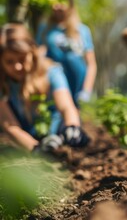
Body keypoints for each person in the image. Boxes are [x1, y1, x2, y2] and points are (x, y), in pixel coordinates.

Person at [0, 23, 90, 153]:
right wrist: (36, 148)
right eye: (9, 62)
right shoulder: (3, 84)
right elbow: (10, 126)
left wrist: (72, 127)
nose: (17, 66)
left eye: (22, 59)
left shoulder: (51, 72)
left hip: (57, 131)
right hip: (26, 137)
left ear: (32, 52)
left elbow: (66, 107)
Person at [37, 0, 97, 107]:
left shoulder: (82, 30)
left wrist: (86, 90)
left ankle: (74, 106)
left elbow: (91, 64)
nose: (56, 6)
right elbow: (39, 56)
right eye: (53, 2)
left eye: (61, 2)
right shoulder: (45, 29)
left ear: (70, 3)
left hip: (77, 79)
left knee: (72, 58)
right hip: (55, 78)